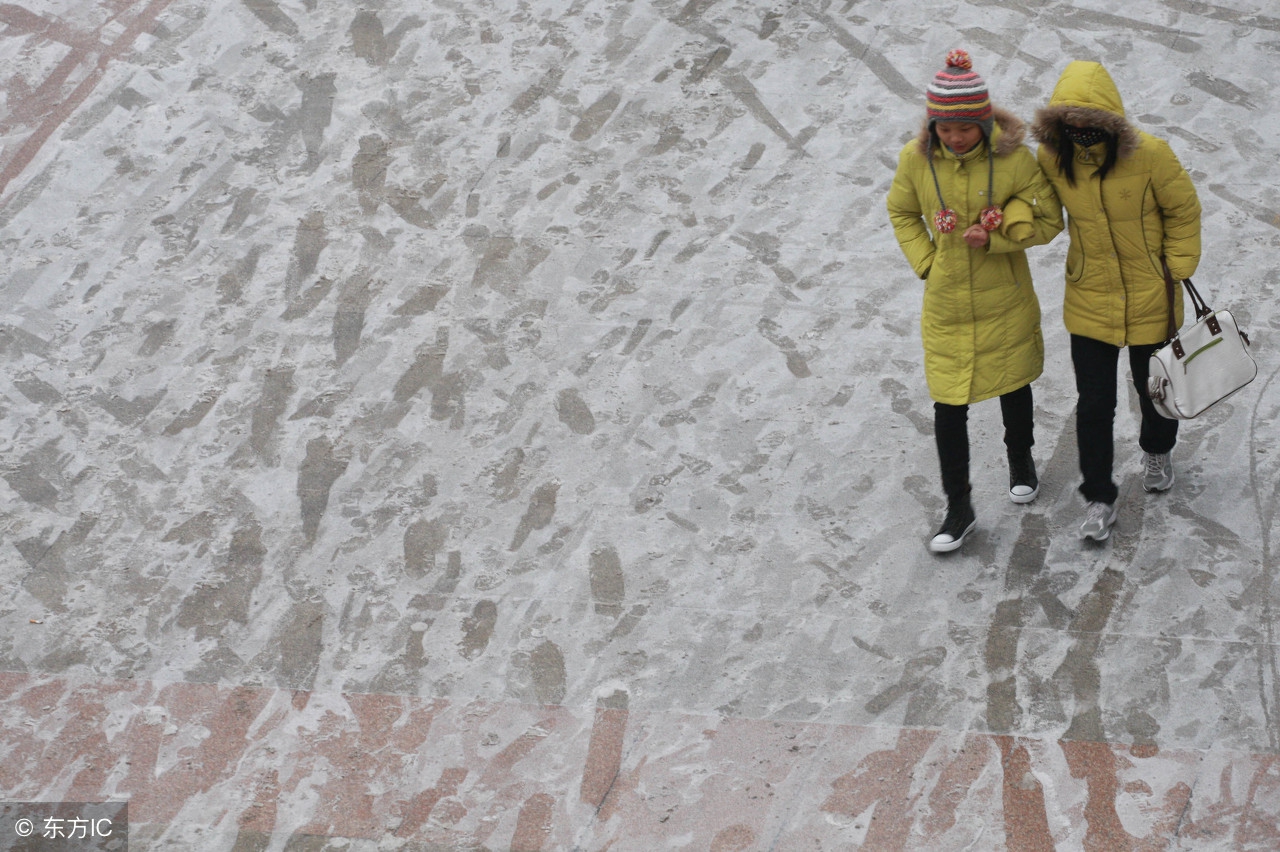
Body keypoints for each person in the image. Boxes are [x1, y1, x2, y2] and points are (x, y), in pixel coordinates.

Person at [887, 50, 1064, 553]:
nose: (955, 137)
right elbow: (901, 212)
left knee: (1013, 384)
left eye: (964, 127)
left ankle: (1020, 459)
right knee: (949, 405)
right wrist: (927, 262)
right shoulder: (915, 161)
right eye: (945, 127)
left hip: (1004, 297)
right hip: (946, 305)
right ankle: (958, 506)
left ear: (983, 121)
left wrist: (1000, 237)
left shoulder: (1014, 160)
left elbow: (1050, 220)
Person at [1030, 61, 1201, 542]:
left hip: (1152, 294)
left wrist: (1179, 265)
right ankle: (1099, 497)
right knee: (1094, 403)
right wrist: (1009, 221)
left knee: (1156, 395)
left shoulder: (1150, 155)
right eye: (1071, 122)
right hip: (1090, 297)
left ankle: (1157, 449)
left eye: (1090, 122)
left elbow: (1183, 209)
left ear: (1110, 120)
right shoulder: (1052, 158)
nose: (1080, 131)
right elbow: (1042, 214)